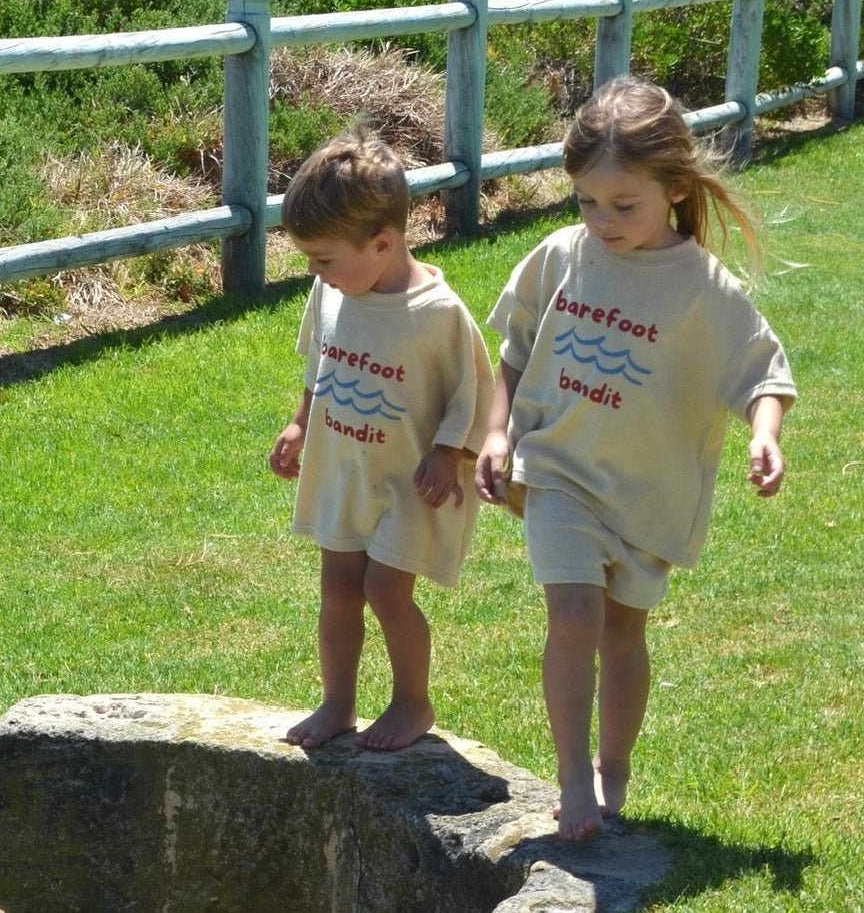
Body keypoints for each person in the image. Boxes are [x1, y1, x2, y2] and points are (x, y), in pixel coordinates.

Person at [475, 77, 796, 841]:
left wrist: (764, 432)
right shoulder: (559, 256)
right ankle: (569, 781)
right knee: (574, 615)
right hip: (558, 472)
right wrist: (495, 432)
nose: (602, 220)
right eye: (587, 202)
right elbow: (514, 353)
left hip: (647, 493)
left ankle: (610, 770)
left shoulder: (703, 289)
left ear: (674, 187)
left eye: (624, 204)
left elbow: (764, 374)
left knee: (622, 631)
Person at [270, 127, 494, 752]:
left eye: (324, 258)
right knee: (339, 588)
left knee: (385, 590)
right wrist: (298, 421)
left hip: (408, 483)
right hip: (345, 472)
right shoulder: (333, 291)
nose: (315, 272)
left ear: (383, 243)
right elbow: (320, 366)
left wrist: (449, 453)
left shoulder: (438, 313)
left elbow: (471, 392)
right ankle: (338, 702)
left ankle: (411, 703)